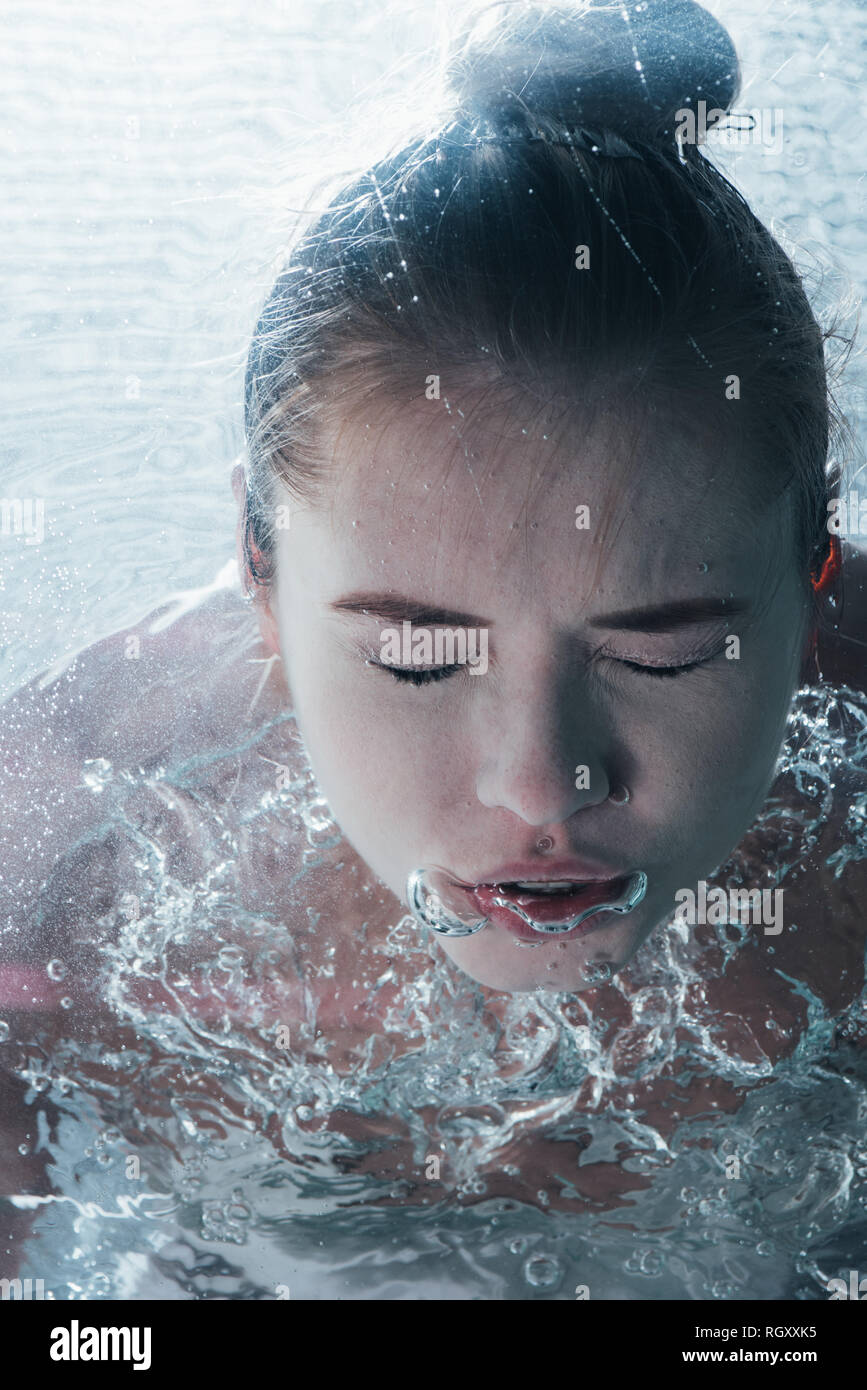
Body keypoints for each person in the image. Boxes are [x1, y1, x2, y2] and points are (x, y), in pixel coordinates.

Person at [1, 0, 865, 1277]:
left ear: (813, 583)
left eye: (661, 653)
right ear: (260, 573)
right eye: (418, 655)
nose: (540, 785)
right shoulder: (55, 873)